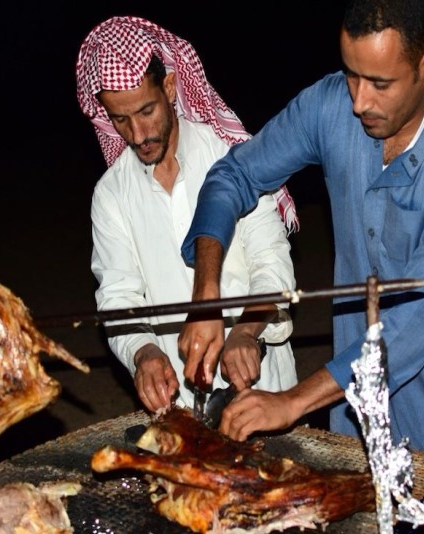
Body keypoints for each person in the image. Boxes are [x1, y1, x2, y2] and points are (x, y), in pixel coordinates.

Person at [178, 0, 424, 532]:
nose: (359, 102)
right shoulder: (329, 105)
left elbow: (410, 327)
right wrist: (207, 295)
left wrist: (292, 401)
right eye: (351, 74)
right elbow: (232, 177)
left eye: (380, 83)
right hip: (350, 415)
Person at [75, 16, 300, 414]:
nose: (138, 134)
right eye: (121, 120)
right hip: (177, 403)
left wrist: (246, 330)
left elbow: (273, 264)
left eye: (146, 111)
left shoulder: (233, 158)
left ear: (171, 87)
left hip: (263, 385)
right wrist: (143, 353)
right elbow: (118, 298)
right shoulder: (111, 195)